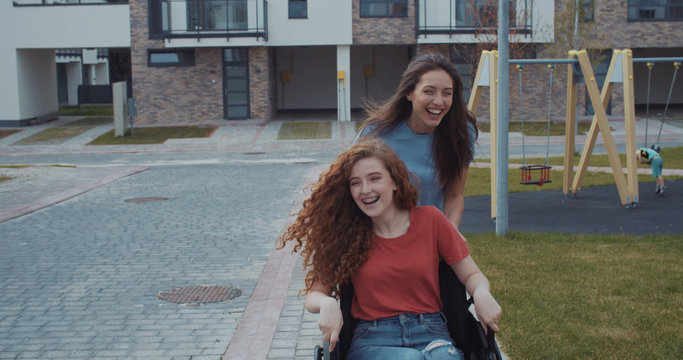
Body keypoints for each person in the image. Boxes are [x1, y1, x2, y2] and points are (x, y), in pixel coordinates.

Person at [279, 140, 501, 359]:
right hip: (373, 338)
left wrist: (481, 293)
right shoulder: (345, 236)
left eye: (374, 178)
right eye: (355, 183)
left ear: (395, 181)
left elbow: (472, 274)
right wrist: (326, 302)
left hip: (433, 333)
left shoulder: (432, 221)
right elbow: (314, 295)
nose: (365, 190)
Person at [355, 53, 477, 229]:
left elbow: (454, 196)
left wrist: (451, 233)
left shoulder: (462, 132)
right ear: (409, 93)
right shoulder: (376, 132)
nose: (438, 101)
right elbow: (349, 186)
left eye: (447, 93)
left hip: (431, 235)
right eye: (429, 91)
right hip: (382, 235)